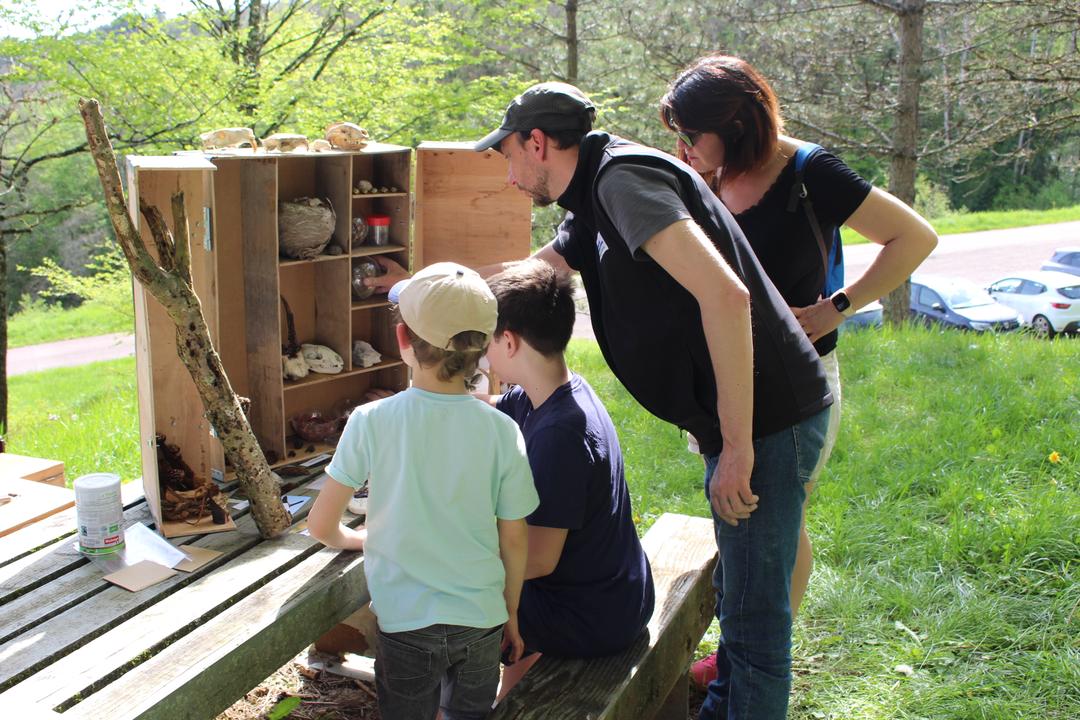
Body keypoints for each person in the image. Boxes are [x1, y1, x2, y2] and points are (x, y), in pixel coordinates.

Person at [466, 81, 832, 720]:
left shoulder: (622, 183)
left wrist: (738, 446)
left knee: (752, 620)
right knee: (745, 606)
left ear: (538, 142)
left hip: (769, 418)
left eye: (507, 155)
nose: (508, 174)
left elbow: (727, 297)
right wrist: (440, 296)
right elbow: (533, 274)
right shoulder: (595, 197)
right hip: (741, 421)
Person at [658, 55, 938, 690]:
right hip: (730, 380)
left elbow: (915, 238)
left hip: (802, 380)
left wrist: (834, 308)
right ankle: (753, 646)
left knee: (784, 513)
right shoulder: (707, 170)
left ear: (736, 123)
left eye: (691, 136)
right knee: (766, 516)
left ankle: (757, 651)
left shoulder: (812, 171)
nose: (681, 149)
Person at [307, 261, 539, 720]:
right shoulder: (502, 430)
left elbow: (320, 526)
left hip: (405, 625)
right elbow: (514, 537)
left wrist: (361, 539)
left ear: (402, 341)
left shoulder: (371, 421)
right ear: (484, 347)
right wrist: (510, 613)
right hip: (482, 621)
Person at [482, 258, 655, 692]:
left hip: (594, 614)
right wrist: (426, 404)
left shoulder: (562, 434)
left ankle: (460, 703)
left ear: (508, 341)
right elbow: (485, 412)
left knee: (451, 600)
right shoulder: (551, 392)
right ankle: (511, 684)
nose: (481, 352)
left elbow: (537, 560)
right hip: (615, 588)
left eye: (484, 340)